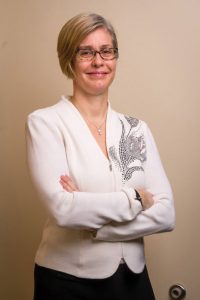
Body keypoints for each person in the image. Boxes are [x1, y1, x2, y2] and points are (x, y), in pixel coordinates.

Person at [26, 12, 175, 300]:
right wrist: (135, 199)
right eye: (86, 52)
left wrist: (97, 227)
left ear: (115, 58)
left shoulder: (136, 129)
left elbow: (166, 214)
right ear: (68, 59)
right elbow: (63, 209)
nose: (98, 61)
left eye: (107, 51)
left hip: (134, 280)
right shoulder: (45, 123)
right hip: (67, 282)